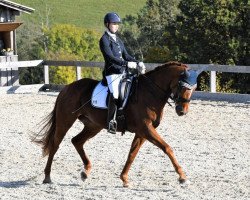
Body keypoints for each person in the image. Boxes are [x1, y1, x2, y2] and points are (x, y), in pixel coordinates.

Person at [99, 12, 145, 134]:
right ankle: (111, 122)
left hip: (122, 72)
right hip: (112, 73)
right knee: (115, 95)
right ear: (107, 24)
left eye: (117, 24)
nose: (116, 26)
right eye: (114, 24)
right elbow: (109, 57)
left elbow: (126, 55)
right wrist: (125, 64)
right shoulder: (104, 40)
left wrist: (137, 62)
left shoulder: (118, 39)